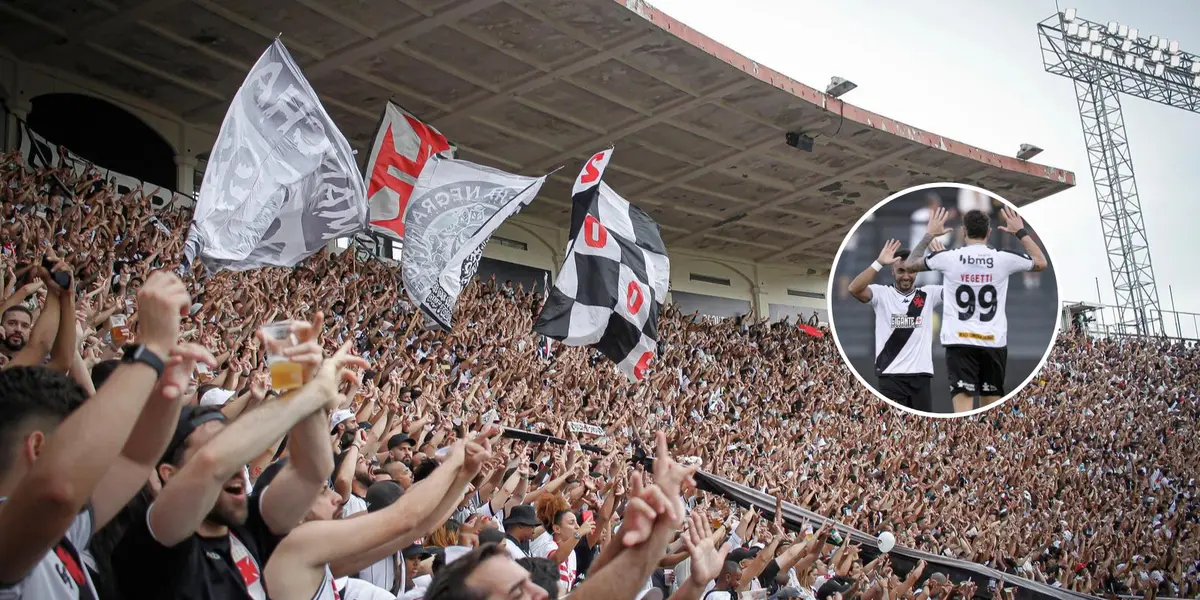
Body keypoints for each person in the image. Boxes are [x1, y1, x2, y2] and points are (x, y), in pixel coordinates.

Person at [110, 330, 365, 599]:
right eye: (221, 447)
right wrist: (307, 395)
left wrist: (302, 381)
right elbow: (213, 464)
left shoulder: (246, 530)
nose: (235, 463)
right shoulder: (157, 539)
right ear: (169, 474)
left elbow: (313, 471)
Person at [0, 271, 199, 599]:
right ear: (40, 448)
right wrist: (149, 348)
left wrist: (170, 391)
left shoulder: (65, 532)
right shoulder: (12, 531)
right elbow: (56, 491)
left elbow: (135, 458)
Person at [903, 207, 1047, 413]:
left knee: (962, 413)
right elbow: (1041, 262)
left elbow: (909, 265)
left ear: (963, 231)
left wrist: (929, 235)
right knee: (988, 413)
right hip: (993, 342)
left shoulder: (948, 258)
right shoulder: (1003, 258)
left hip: (959, 341)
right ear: (989, 232)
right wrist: (1019, 232)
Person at [846, 239, 945, 413]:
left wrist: (947, 262)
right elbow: (854, 288)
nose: (906, 276)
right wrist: (878, 263)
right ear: (892, 270)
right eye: (901, 271)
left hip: (921, 376)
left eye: (911, 271)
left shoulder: (929, 294)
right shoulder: (882, 294)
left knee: (920, 431)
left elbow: (961, 291)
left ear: (918, 271)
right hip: (890, 376)